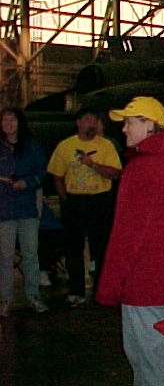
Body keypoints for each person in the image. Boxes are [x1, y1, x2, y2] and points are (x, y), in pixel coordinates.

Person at [96, 96, 164, 386]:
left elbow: (126, 236)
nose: (123, 129)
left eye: (129, 122)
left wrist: (110, 286)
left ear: (149, 125)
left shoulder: (140, 170)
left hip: (145, 284)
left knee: (149, 360)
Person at [47, 107, 122, 306]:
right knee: (73, 248)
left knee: (101, 248)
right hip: (74, 201)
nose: (91, 124)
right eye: (87, 120)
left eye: (94, 120)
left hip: (99, 201)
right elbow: (56, 175)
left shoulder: (106, 146)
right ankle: (76, 290)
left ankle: (101, 291)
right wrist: (64, 198)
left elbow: (115, 173)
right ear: (78, 123)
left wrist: (92, 164)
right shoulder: (65, 146)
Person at [0, 107, 48, 315]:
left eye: (12, 119)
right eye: (5, 120)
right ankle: (5, 299)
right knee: (5, 256)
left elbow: (42, 173)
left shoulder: (31, 146)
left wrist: (26, 183)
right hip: (4, 210)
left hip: (27, 208)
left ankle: (33, 296)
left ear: (20, 122)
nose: (8, 124)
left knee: (30, 253)